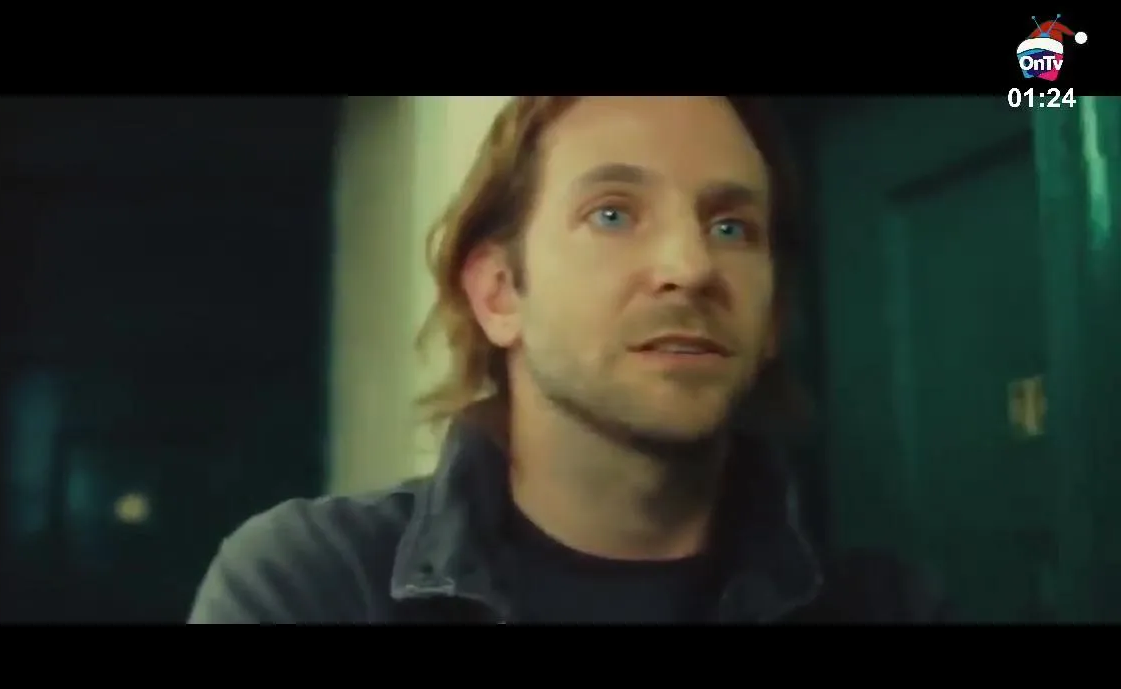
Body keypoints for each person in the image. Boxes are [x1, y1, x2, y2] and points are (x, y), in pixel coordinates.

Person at [188, 96, 947, 624]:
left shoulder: (887, 608)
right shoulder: (318, 586)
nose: (690, 267)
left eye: (731, 227)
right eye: (611, 214)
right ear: (498, 293)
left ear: (773, 315)